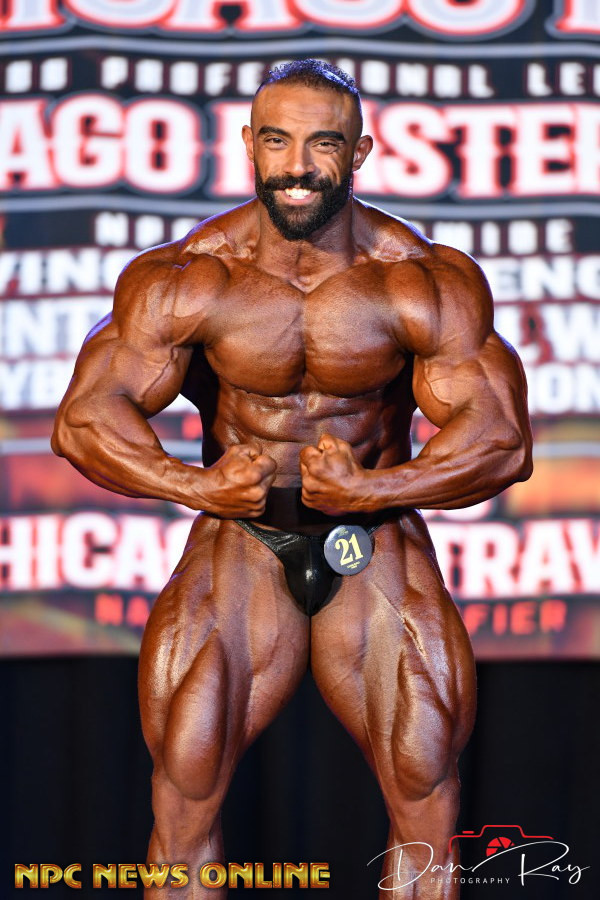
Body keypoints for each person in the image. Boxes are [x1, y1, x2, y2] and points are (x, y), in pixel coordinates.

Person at [52, 60, 532, 898]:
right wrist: (192, 486)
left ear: (360, 153)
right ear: (248, 145)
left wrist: (377, 491)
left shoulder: (418, 280)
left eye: (323, 144)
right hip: (241, 537)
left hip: (373, 541)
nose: (298, 165)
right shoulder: (190, 278)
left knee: (425, 781)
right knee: (186, 779)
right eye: (277, 141)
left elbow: (502, 441)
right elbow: (85, 420)